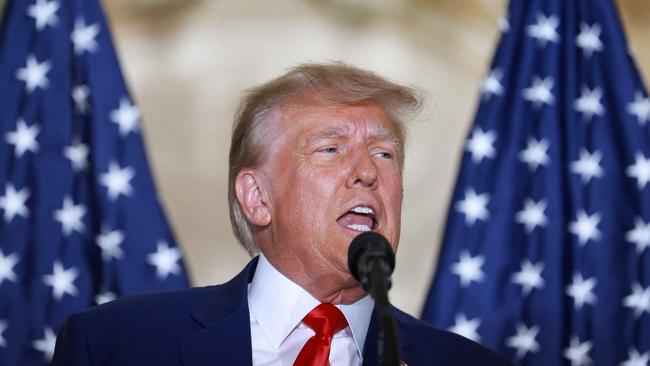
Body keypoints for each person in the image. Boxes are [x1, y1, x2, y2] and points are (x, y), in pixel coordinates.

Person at [52, 63, 514, 366]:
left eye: (385, 154)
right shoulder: (118, 346)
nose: (368, 173)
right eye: (331, 148)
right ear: (257, 197)